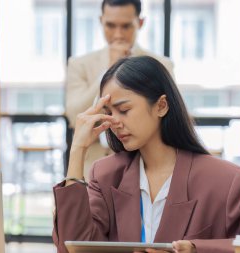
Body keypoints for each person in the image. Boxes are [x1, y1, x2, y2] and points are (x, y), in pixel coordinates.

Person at [53, 56, 240, 253]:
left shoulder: (224, 179)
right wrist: (77, 150)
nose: (114, 122)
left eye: (124, 110)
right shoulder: (106, 174)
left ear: (161, 106)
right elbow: (73, 246)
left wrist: (195, 248)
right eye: (108, 113)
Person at [66, 0, 174, 179]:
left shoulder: (162, 65)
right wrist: (109, 71)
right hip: (91, 168)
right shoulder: (79, 65)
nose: (118, 34)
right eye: (110, 25)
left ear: (140, 23)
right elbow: (74, 116)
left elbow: (170, 119)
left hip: (146, 170)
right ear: (101, 21)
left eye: (126, 26)